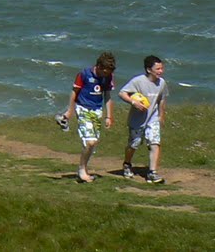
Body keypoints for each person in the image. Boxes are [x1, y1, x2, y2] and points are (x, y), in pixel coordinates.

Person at [59, 51, 115, 183]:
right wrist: (70, 111)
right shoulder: (84, 74)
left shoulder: (108, 77)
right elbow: (74, 93)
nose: (106, 74)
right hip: (83, 108)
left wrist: (109, 116)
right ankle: (82, 170)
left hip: (97, 111)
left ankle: (83, 168)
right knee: (90, 141)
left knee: (93, 143)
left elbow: (107, 96)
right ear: (99, 67)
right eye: (105, 71)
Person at [119, 54, 168, 183]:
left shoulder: (162, 83)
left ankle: (152, 172)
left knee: (154, 143)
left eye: (161, 68)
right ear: (148, 70)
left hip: (153, 118)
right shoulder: (138, 81)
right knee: (133, 144)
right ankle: (127, 164)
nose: (160, 71)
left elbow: (162, 99)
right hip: (137, 120)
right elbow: (122, 93)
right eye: (157, 69)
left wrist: (161, 115)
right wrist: (133, 102)